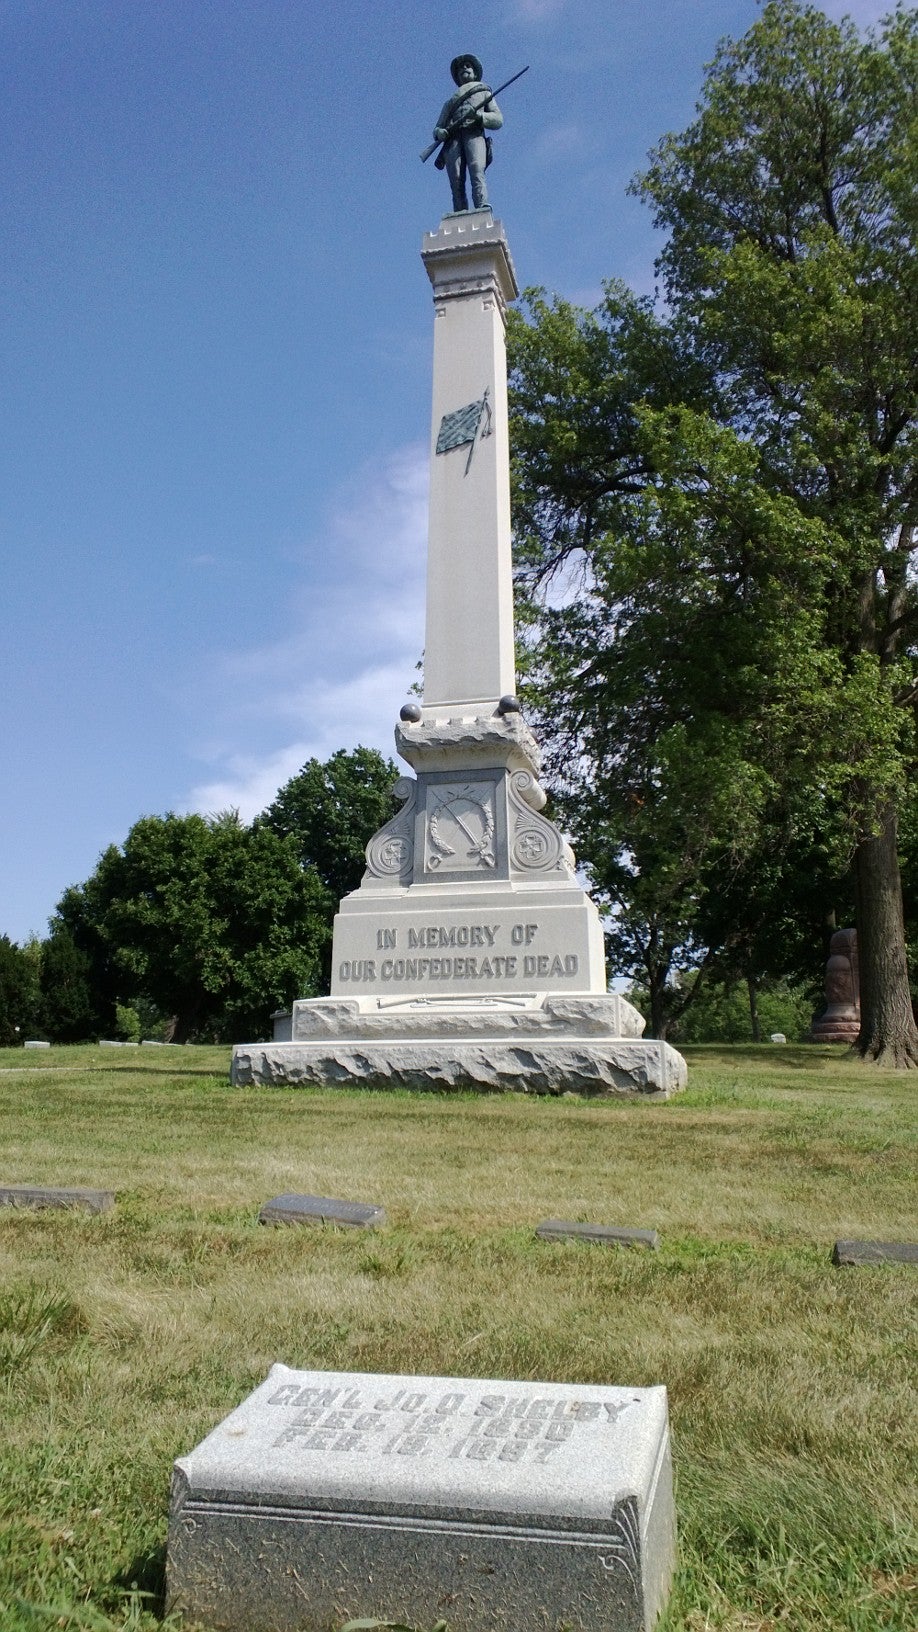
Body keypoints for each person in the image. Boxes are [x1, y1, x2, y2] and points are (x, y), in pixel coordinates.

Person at [433, 54, 503, 213]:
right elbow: (437, 129)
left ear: (475, 72)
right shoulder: (450, 102)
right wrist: (440, 132)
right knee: (456, 178)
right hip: (453, 140)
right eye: (461, 68)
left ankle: (481, 205)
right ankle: (459, 211)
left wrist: (479, 116)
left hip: (474, 134)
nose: (464, 68)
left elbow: (498, 119)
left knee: (477, 168)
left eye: (468, 65)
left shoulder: (484, 92)